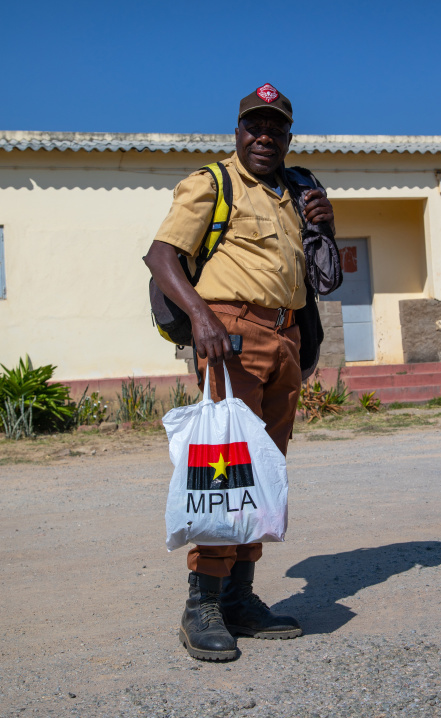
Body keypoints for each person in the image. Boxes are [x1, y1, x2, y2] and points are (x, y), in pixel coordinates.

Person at [144, 83, 335, 661]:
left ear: (288, 136)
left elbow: (318, 277)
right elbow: (161, 255)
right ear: (237, 131)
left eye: (275, 128)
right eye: (255, 126)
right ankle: (200, 603)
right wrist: (201, 318)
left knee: (265, 471)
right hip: (229, 335)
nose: (264, 136)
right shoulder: (213, 182)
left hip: (284, 336)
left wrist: (323, 225)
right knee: (221, 468)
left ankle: (239, 599)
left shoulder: (295, 193)